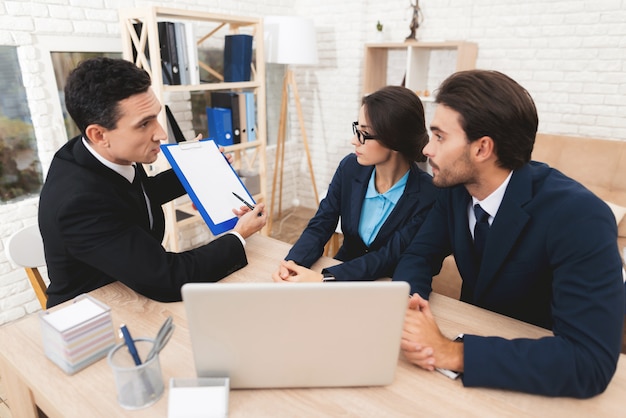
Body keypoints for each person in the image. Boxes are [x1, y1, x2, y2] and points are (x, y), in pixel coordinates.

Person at [394, 69, 625, 398]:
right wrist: (410, 310)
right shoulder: (455, 189)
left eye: (440, 137)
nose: (426, 150)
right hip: (469, 352)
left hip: (536, 375)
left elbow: (589, 363)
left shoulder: (581, 218)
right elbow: (419, 255)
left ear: (482, 148)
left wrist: (450, 352)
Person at [39, 57, 266, 308]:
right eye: (144, 124)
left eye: (155, 117)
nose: (161, 133)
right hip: (95, 311)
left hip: (132, 286)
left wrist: (195, 168)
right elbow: (169, 278)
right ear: (99, 134)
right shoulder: (79, 202)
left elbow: (139, 193)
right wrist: (239, 235)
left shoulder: (105, 152)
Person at [273, 85, 438, 283]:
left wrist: (324, 279)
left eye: (364, 134)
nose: (354, 141)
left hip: (388, 285)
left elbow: (387, 257)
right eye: (356, 129)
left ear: (394, 140)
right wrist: (292, 264)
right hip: (341, 271)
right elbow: (321, 223)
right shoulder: (350, 168)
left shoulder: (428, 193)